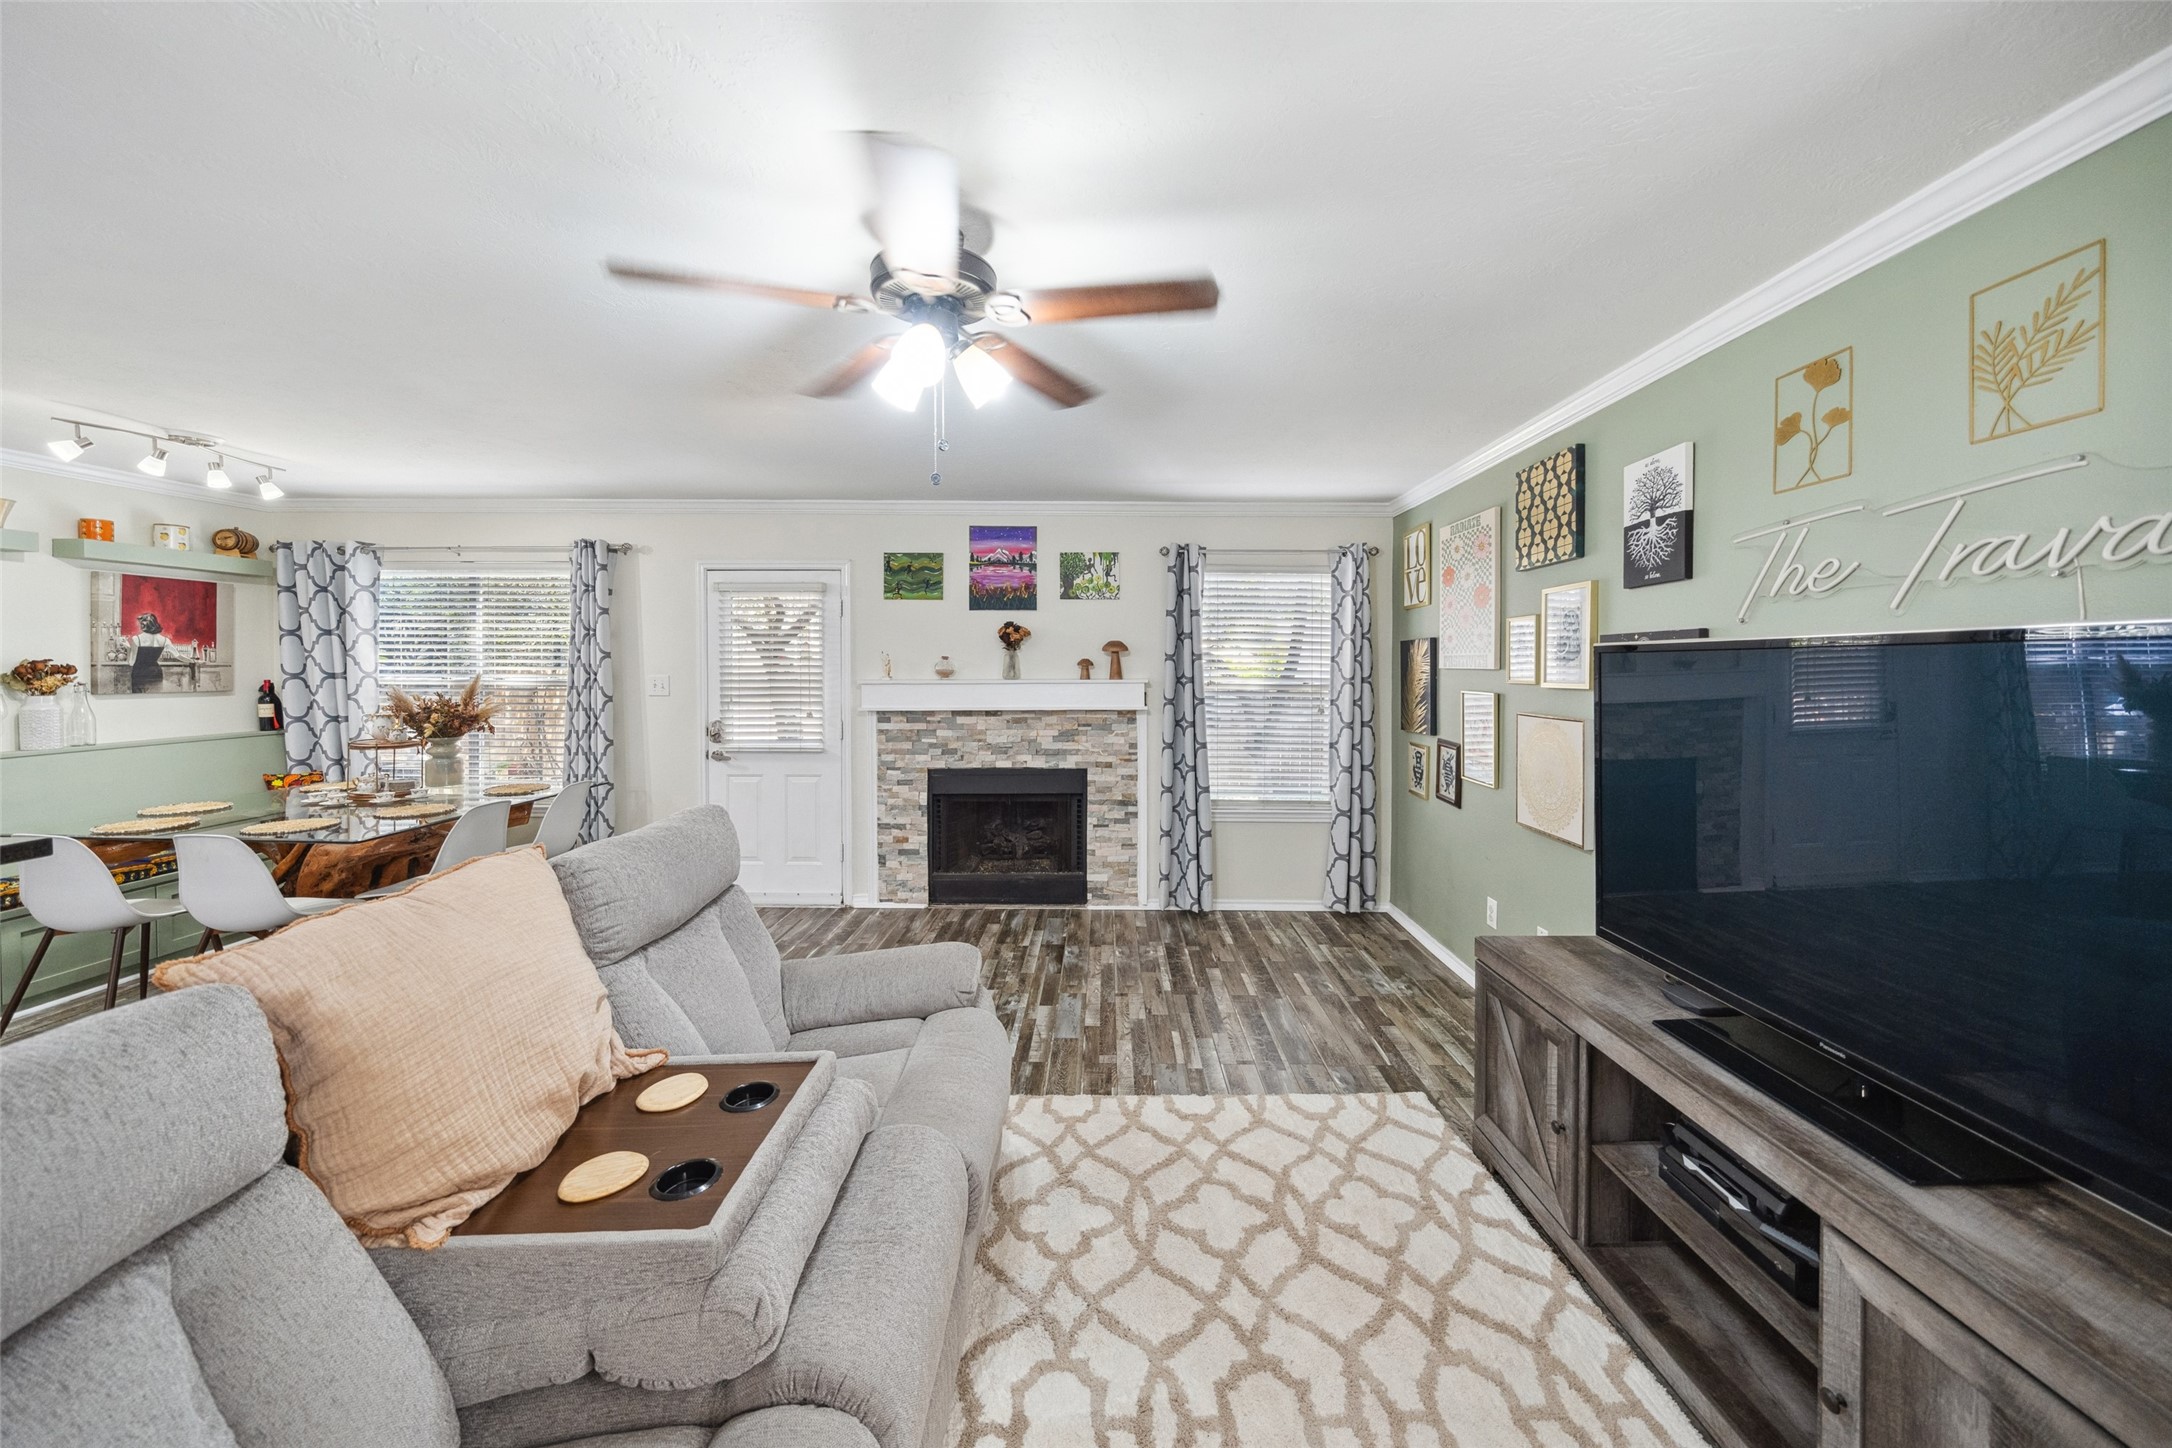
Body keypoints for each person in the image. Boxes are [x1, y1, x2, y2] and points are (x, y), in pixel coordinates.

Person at [127, 612, 188, 693]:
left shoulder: (136, 639)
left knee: (139, 701)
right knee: (155, 700)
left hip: (139, 673)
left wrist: (127, 647)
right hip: (156, 673)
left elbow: (131, 662)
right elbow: (178, 656)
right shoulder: (165, 640)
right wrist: (192, 661)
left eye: (141, 624)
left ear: (143, 625)